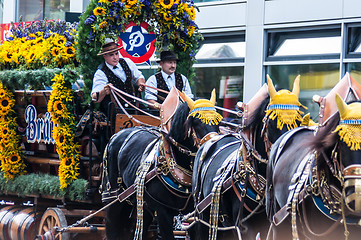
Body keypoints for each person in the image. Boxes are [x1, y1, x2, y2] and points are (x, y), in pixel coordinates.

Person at [91, 39, 145, 114]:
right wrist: (104, 91)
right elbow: (95, 98)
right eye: (111, 55)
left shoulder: (127, 62)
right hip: (115, 111)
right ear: (104, 56)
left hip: (133, 106)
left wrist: (141, 84)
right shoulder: (100, 72)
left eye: (116, 54)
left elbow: (138, 76)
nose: (115, 57)